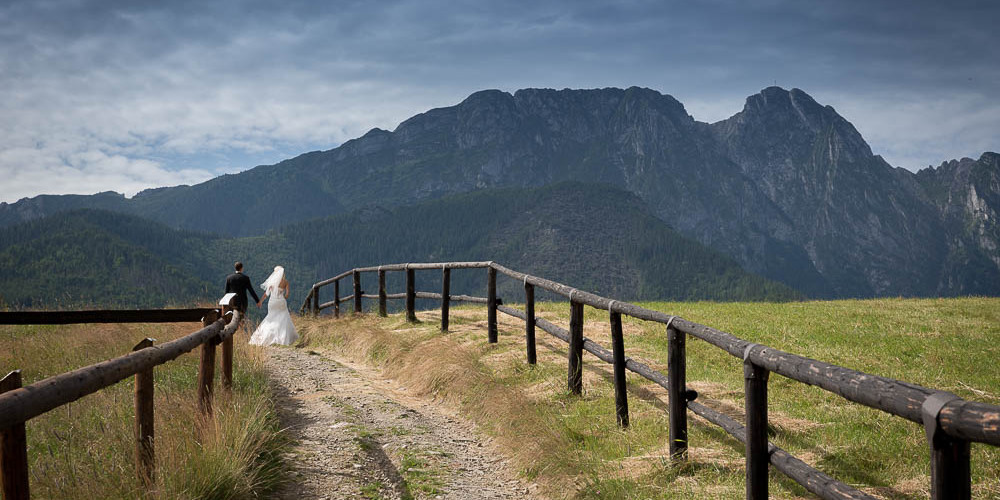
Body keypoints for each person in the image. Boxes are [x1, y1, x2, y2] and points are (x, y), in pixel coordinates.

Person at [249, 266, 298, 346]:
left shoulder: (271, 282)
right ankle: (282, 339)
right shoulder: (286, 282)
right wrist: (282, 298)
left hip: (272, 302)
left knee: (270, 319)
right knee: (283, 319)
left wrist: (260, 301)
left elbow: (266, 294)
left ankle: (266, 337)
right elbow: (287, 294)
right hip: (281, 302)